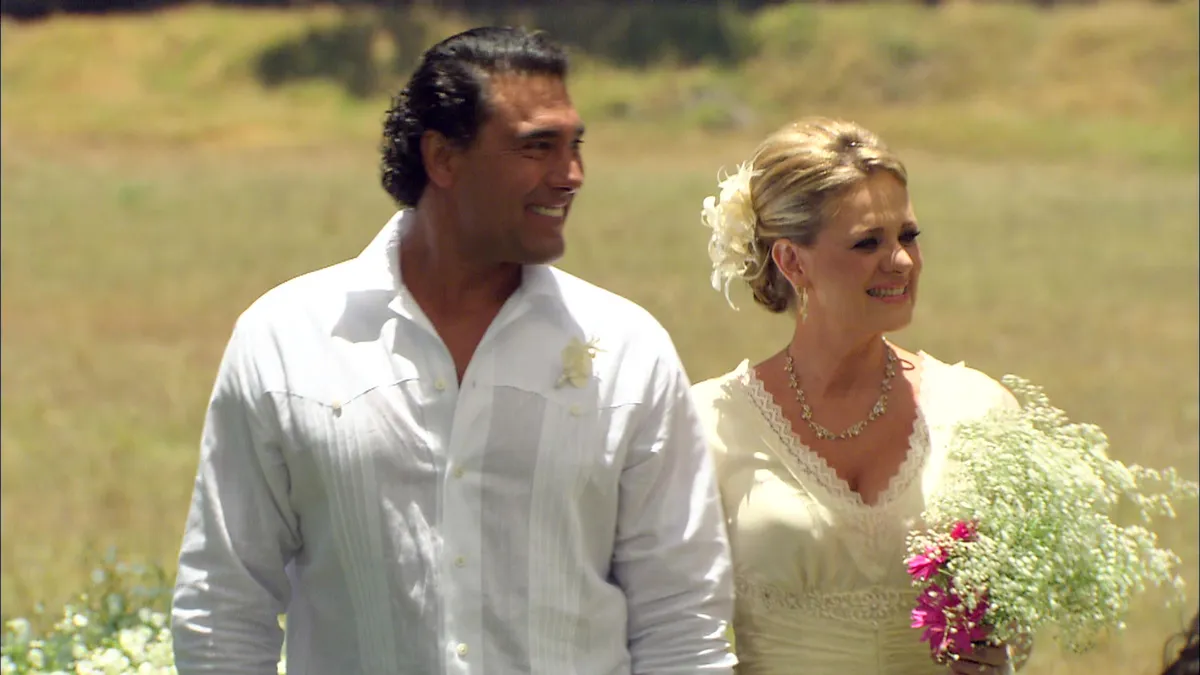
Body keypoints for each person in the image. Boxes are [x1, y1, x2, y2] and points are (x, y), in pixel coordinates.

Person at [170, 26, 736, 675]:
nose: (571, 176)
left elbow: (680, 617)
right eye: (537, 147)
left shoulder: (630, 350)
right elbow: (223, 606)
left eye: (574, 145)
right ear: (442, 158)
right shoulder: (285, 339)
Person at [689, 117, 1030, 674]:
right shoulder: (710, 426)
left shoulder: (978, 411)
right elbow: (676, 631)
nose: (901, 261)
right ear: (791, 261)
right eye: (868, 242)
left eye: (908, 236)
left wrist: (999, 654)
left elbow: (1014, 619)